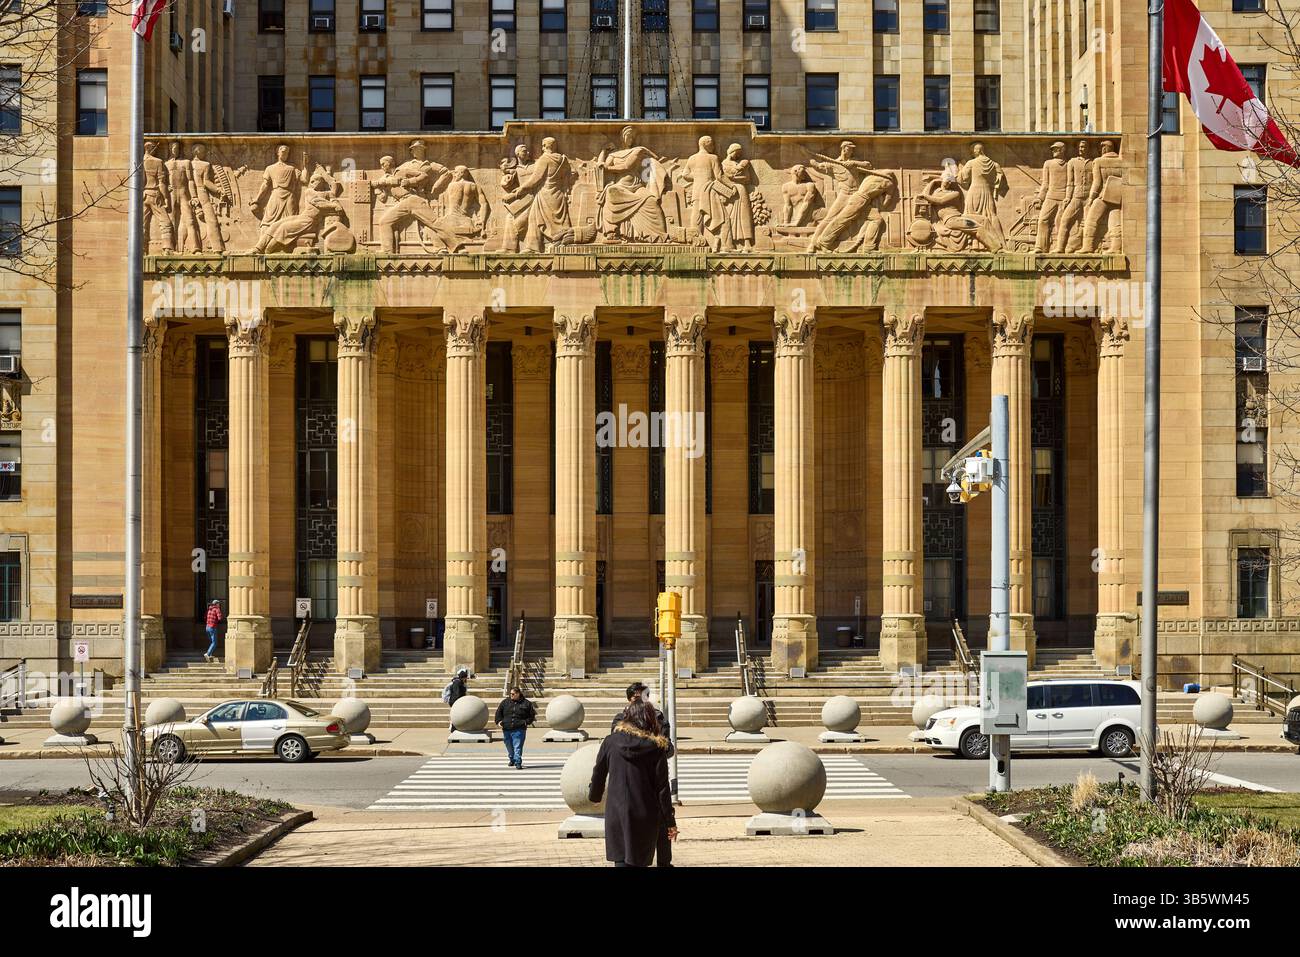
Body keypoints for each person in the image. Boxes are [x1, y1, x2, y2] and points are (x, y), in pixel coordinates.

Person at [589, 698, 678, 868]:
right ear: (650, 719)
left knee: (620, 859)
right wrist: (669, 821)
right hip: (645, 813)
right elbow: (662, 788)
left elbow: (599, 773)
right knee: (640, 861)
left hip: (616, 811)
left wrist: (594, 797)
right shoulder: (656, 746)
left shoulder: (610, 742)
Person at [610, 682, 675, 865]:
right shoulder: (620, 719)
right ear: (630, 699)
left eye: (644, 697)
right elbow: (616, 746)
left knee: (663, 822)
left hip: (653, 774)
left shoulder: (658, 717)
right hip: (631, 778)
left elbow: (668, 748)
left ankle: (664, 862)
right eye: (636, 698)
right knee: (628, 829)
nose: (640, 701)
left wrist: (656, 747)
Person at [494, 686, 537, 769]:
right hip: (506, 728)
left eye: (513, 694)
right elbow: (498, 713)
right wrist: (499, 721)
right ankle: (512, 758)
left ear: (518, 694)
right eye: (510, 694)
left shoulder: (526, 703)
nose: (511, 695)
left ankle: (518, 761)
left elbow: (532, 716)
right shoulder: (505, 702)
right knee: (509, 745)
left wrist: (525, 722)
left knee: (517, 746)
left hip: (519, 728)